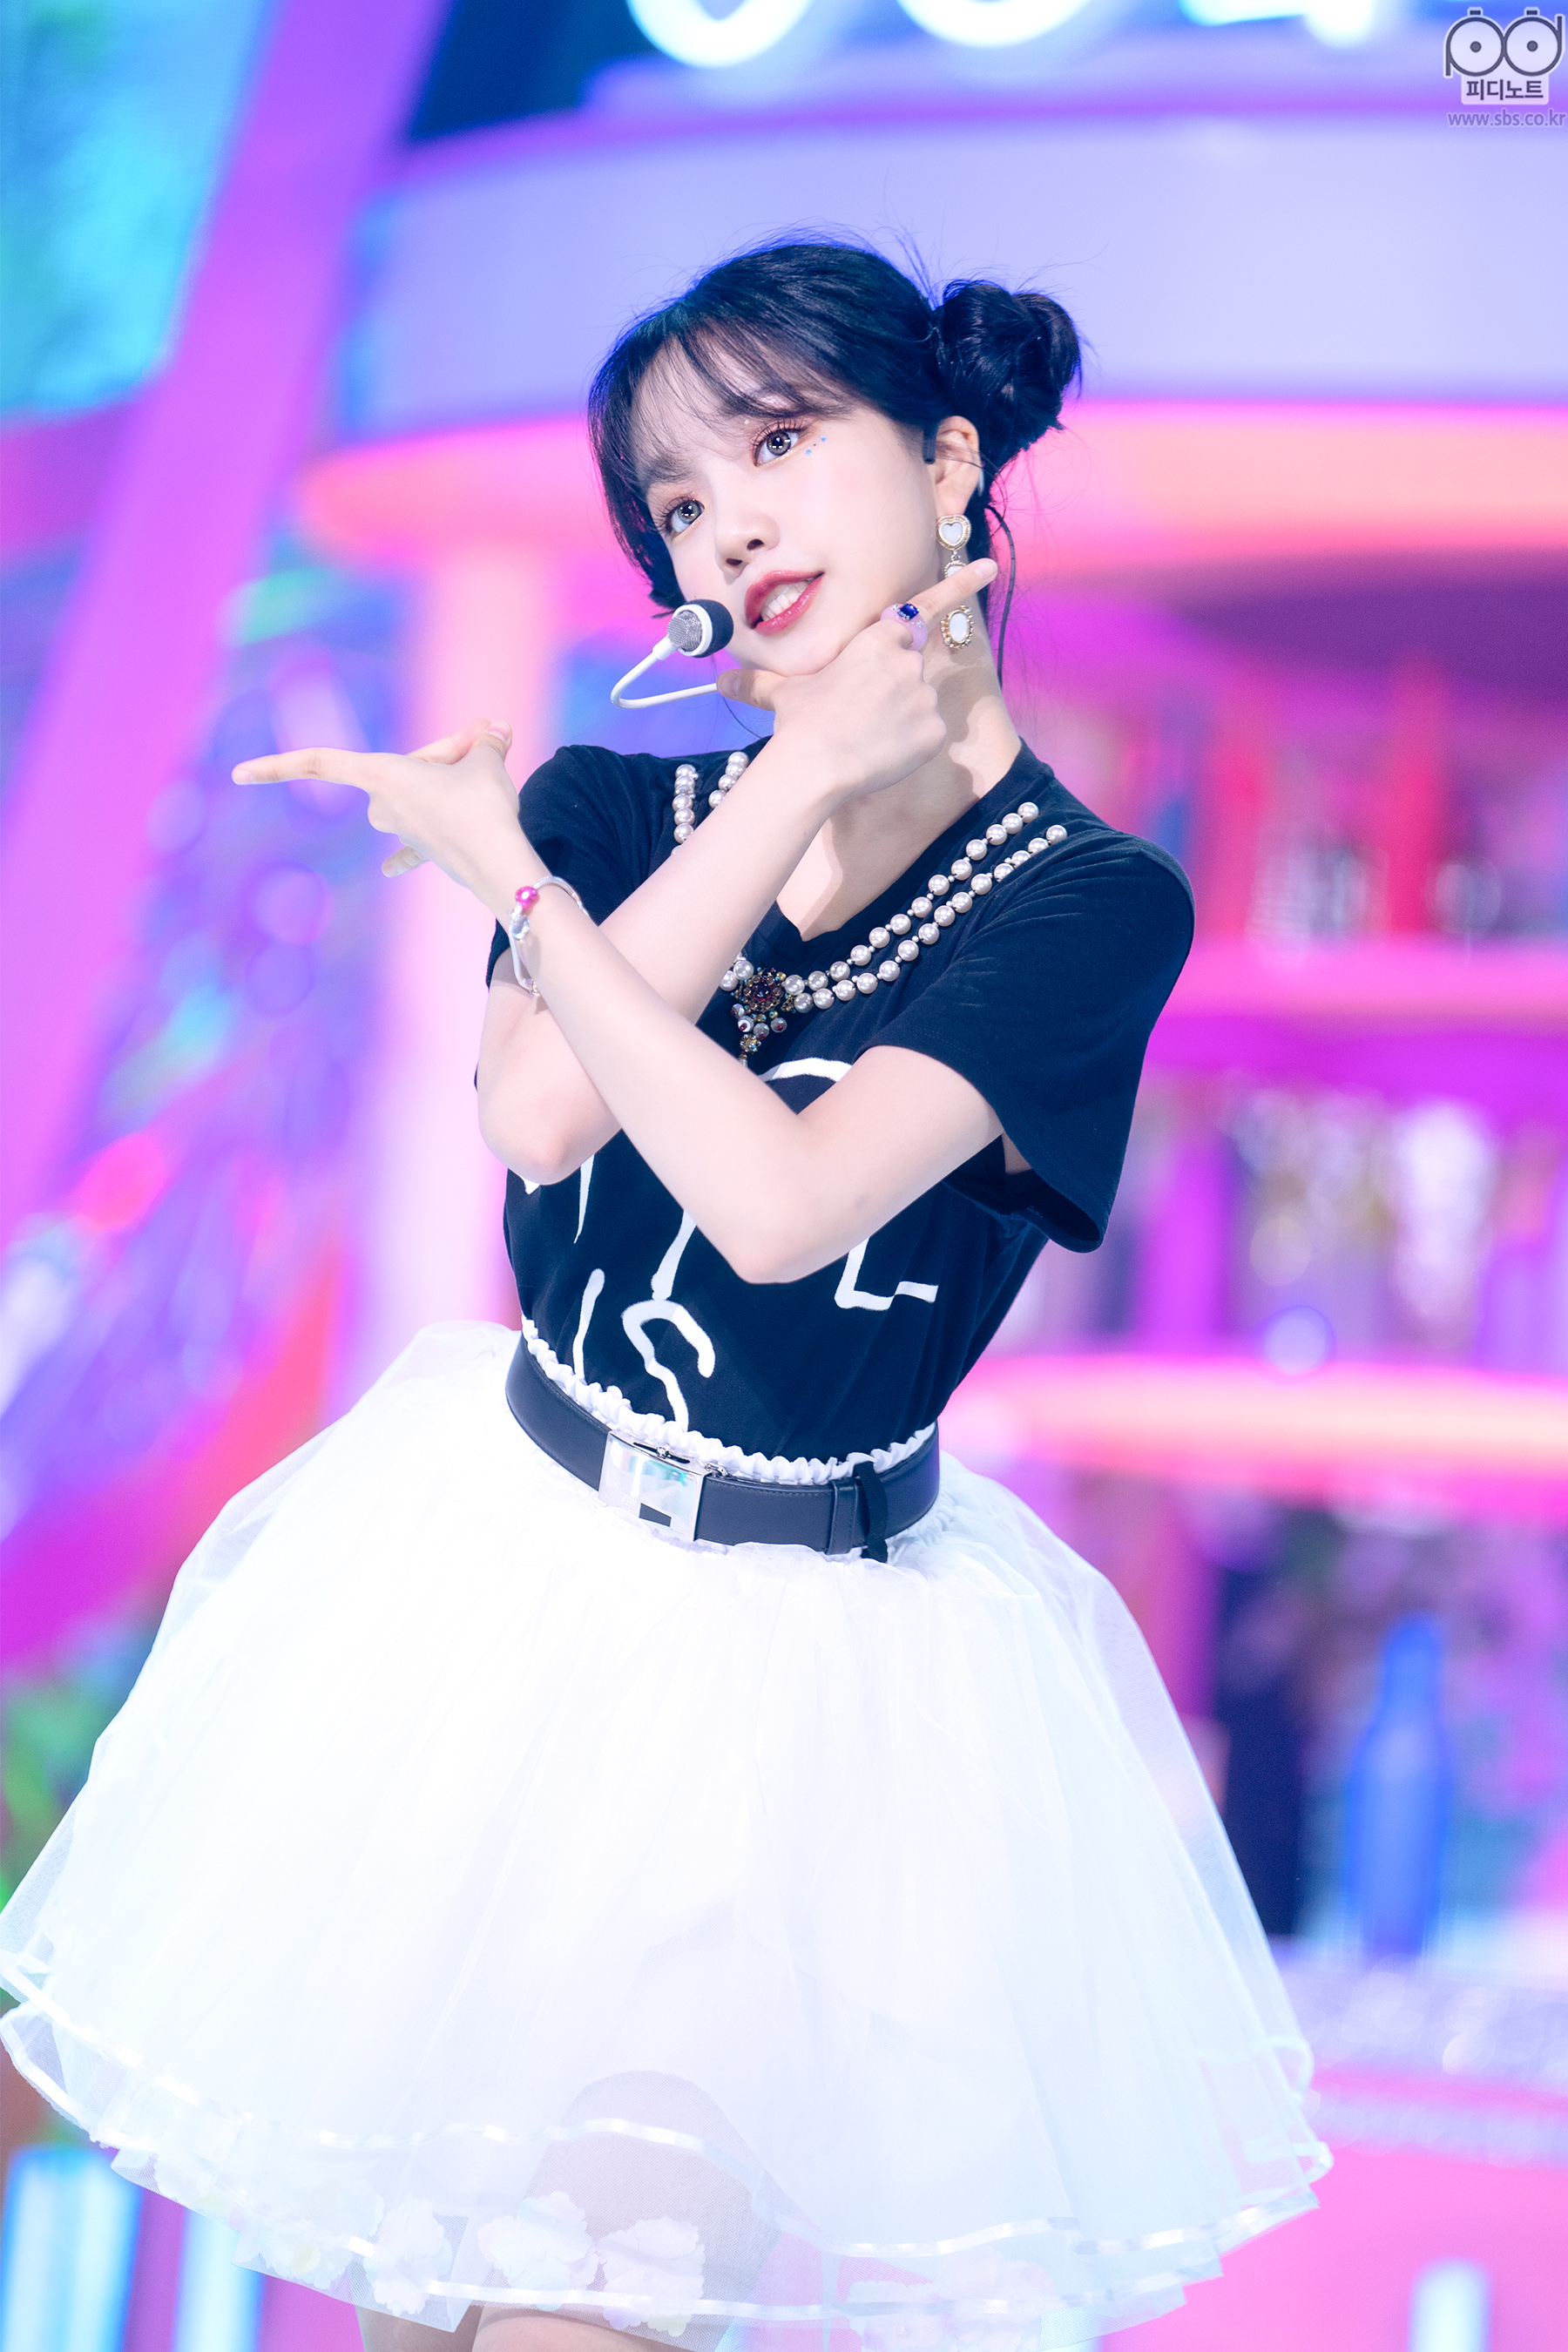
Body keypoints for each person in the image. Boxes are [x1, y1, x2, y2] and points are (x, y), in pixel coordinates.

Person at [0, 242, 1328, 2349]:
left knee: (587, 2299)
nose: (730, 529)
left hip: (805, 1696)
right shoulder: (622, 803)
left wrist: (514, 887)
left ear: (949, 460)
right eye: (682, 505)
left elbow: (784, 1207)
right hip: (502, 1600)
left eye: (778, 447)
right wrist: (773, 785)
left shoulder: (1091, 903)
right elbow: (538, 1115)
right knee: (440, 2304)